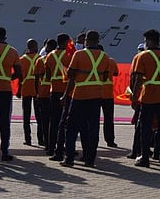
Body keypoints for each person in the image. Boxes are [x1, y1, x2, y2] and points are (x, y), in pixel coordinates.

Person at [60, 30, 109, 167]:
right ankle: (90, 160)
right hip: (96, 96)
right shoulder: (104, 56)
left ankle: (69, 159)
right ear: (98, 41)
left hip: (79, 95)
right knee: (93, 129)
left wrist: (65, 95)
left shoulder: (79, 54)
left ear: (86, 41)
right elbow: (105, 77)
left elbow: (70, 76)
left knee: (71, 128)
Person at [131, 29, 160, 168]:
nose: (145, 44)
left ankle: (145, 158)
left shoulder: (142, 56)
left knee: (145, 128)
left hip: (148, 96)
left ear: (150, 41)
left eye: (145, 41)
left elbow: (138, 79)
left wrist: (134, 97)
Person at [0, 26, 21, 161]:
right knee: (4, 121)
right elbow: (18, 72)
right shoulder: (13, 51)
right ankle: (5, 151)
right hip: (6, 89)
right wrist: (7, 78)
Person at [46, 33, 72, 161]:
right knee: (66, 121)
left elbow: (47, 76)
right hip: (67, 91)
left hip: (54, 91)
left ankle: (51, 147)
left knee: (54, 120)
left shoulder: (50, 56)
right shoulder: (70, 55)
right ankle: (66, 147)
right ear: (66, 42)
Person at [35, 39, 56, 150]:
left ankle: (46, 142)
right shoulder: (60, 59)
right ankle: (54, 143)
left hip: (43, 93)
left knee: (44, 120)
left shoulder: (40, 60)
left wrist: (37, 93)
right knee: (55, 120)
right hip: (55, 91)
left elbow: (36, 78)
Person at [18, 39, 39, 146]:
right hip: (37, 88)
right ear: (35, 47)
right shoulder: (40, 58)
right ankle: (41, 138)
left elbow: (20, 76)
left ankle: (28, 139)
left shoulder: (21, 59)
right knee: (39, 115)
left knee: (26, 115)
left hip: (25, 88)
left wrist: (18, 90)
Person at [101, 47, 119, 148]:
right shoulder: (111, 61)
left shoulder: (94, 61)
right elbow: (116, 73)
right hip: (108, 95)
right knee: (108, 118)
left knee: (92, 119)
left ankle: (92, 139)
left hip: (96, 93)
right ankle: (110, 140)